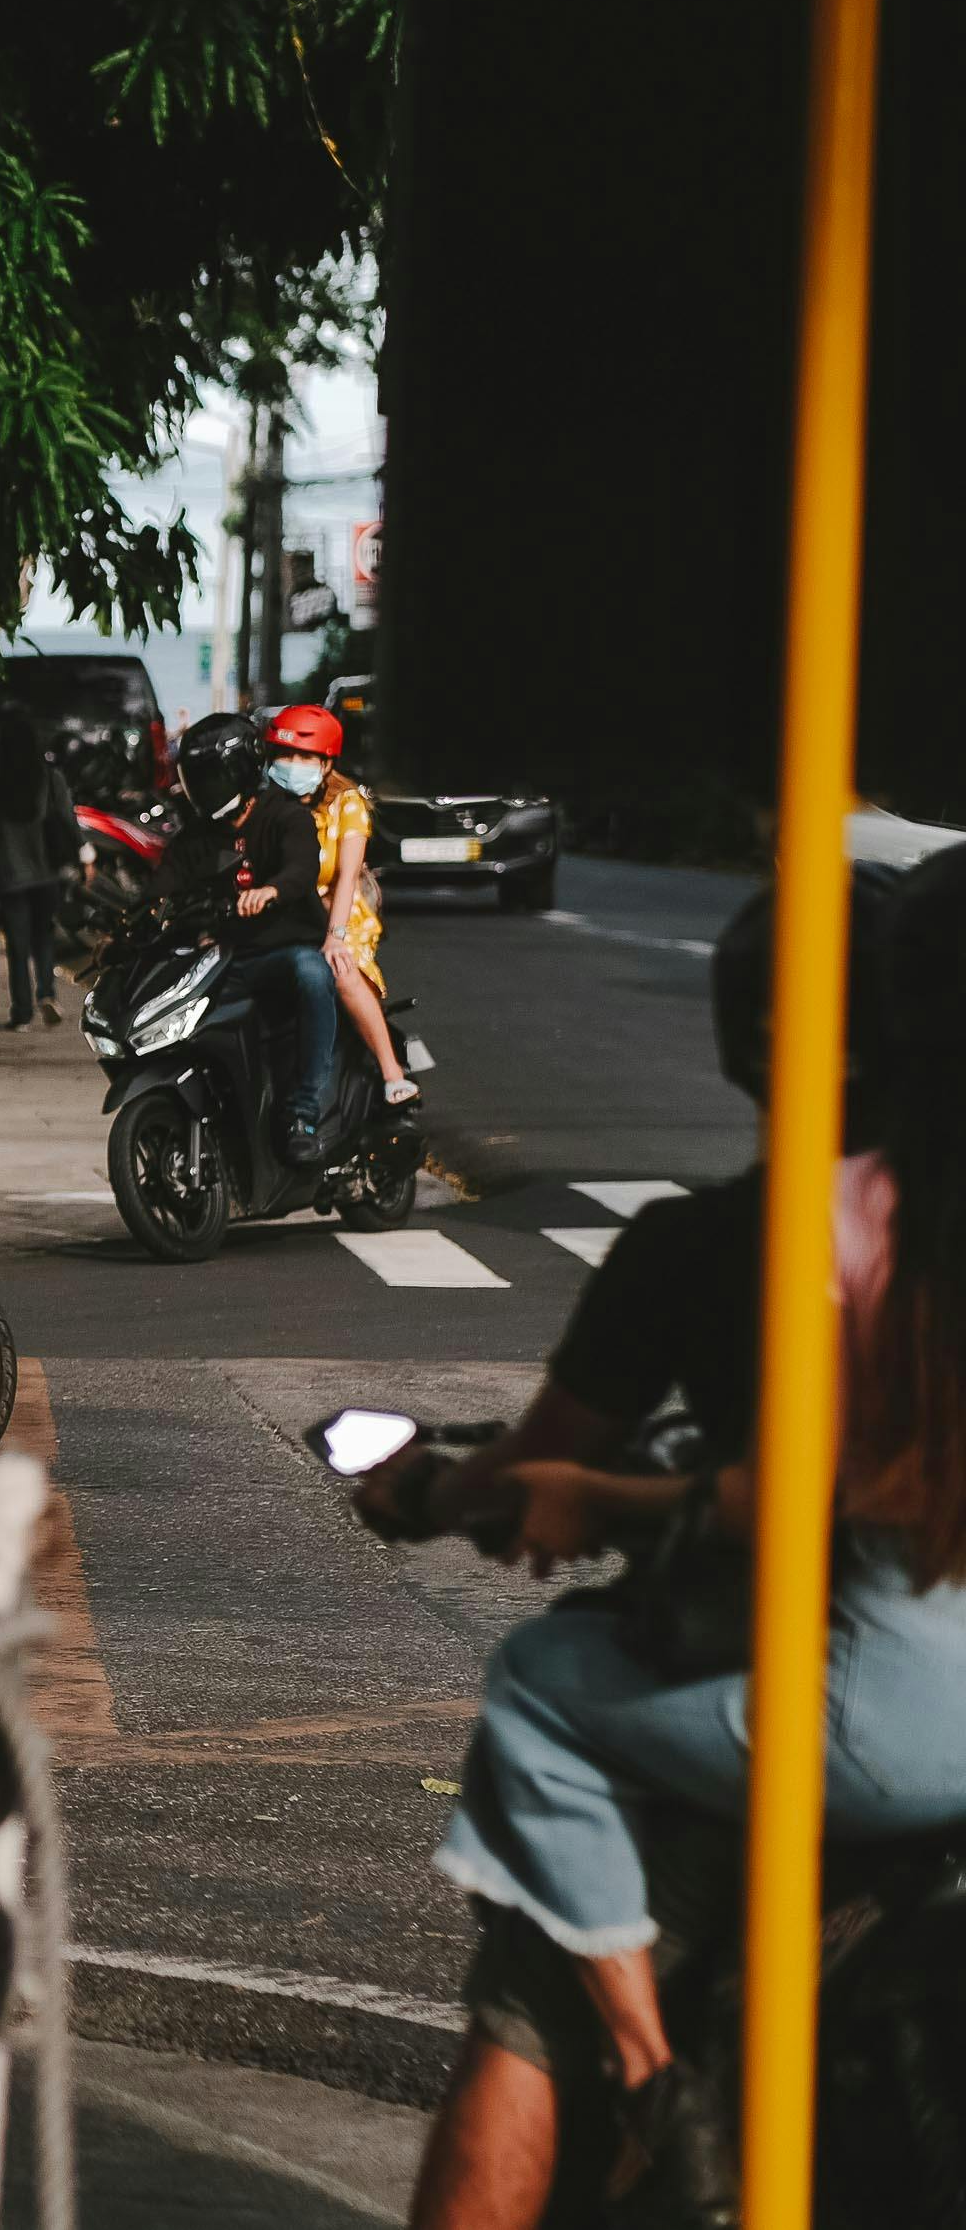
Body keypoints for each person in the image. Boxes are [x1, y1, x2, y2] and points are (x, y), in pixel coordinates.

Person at [359, 854, 947, 2228]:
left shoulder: (720, 1245)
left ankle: (641, 2065)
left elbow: (748, 1486)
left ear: (750, 1048)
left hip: (841, 1726)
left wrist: (456, 1490)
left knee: (535, 1904)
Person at [154, 712, 338, 1160]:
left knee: (312, 973)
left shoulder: (285, 816)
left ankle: (304, 1112)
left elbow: (301, 868)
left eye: (212, 776)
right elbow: (161, 889)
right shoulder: (195, 837)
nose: (204, 787)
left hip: (281, 953)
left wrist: (271, 890)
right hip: (223, 960)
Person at [266, 703, 416, 1106]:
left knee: (342, 972)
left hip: (340, 912)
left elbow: (346, 876)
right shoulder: (264, 805)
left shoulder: (346, 804)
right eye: (285, 755)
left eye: (304, 757)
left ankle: (391, 1072)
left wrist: (334, 938)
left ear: (326, 763)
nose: (292, 764)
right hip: (283, 915)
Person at [0, 706, 87, 1029]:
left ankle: (21, 1013)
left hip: (9, 876)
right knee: (44, 936)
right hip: (47, 875)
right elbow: (67, 820)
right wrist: (84, 853)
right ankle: (46, 992)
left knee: (17, 946)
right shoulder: (50, 777)